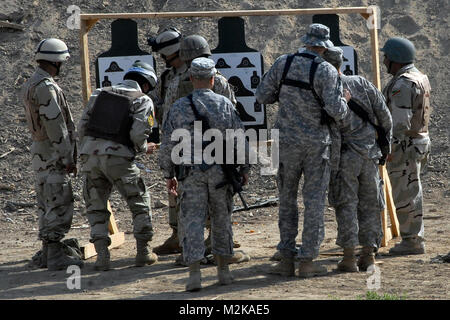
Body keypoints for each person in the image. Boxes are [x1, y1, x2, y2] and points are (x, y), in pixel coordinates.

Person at [256, 24, 350, 278]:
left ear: (306, 42)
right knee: (314, 202)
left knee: (286, 200)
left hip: (284, 142)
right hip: (316, 145)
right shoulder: (326, 70)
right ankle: (307, 260)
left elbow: (262, 96)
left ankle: (286, 258)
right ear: (323, 47)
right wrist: (345, 101)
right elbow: (337, 112)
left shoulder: (282, 63)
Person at [159, 57, 250, 291]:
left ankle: (194, 275)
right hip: (221, 172)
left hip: (190, 173)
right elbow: (239, 138)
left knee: (192, 220)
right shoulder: (224, 104)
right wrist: (244, 169)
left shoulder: (178, 107)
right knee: (222, 219)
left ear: (191, 79)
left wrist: (169, 173)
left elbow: (168, 143)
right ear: (212, 79)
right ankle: (223, 272)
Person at [78, 61, 158, 270]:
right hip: (118, 159)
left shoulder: (99, 93)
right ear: (147, 84)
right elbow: (138, 133)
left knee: (96, 206)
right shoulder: (143, 99)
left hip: (91, 157)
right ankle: (143, 252)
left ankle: (102, 257)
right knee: (138, 201)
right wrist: (142, 148)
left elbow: (82, 126)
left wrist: (86, 150)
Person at [323, 47, 393, 272]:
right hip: (369, 155)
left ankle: (349, 257)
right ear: (342, 63)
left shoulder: (325, 89)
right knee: (371, 204)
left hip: (343, 157)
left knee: (346, 205)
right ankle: (369, 255)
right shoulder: (362, 83)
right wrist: (385, 146)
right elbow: (385, 116)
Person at [21, 38, 83, 271]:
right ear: (56, 62)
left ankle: (48, 252)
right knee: (58, 199)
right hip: (52, 152)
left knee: (46, 200)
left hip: (41, 152)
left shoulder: (31, 84)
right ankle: (55, 254)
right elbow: (57, 128)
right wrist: (68, 158)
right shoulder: (47, 87)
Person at [381, 37, 432, 255]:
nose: (384, 62)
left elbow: (399, 122)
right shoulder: (418, 77)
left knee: (405, 193)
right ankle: (414, 236)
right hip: (419, 141)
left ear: (396, 60)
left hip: (406, 144)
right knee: (413, 190)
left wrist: (390, 149)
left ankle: (412, 241)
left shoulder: (402, 84)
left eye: (387, 58)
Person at [147, 27, 186, 255]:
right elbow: (155, 102)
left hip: (198, 142)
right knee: (174, 188)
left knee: (204, 187)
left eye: (163, 54)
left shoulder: (197, 73)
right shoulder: (168, 76)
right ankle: (177, 234)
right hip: (173, 141)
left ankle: (214, 234)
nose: (162, 59)